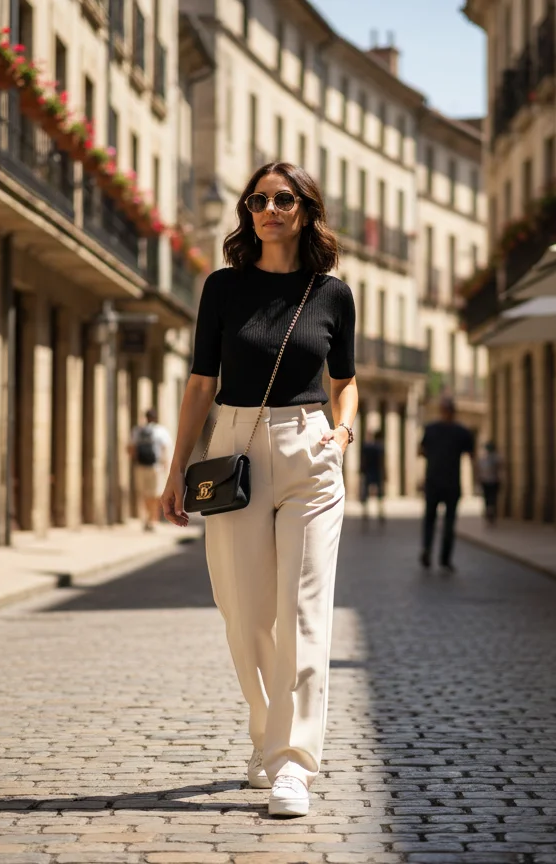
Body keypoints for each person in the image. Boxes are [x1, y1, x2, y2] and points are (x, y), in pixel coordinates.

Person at [160, 162, 356, 819]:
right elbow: (198, 384)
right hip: (234, 448)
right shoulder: (221, 288)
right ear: (248, 211)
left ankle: (293, 765)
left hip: (310, 450)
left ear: (305, 209)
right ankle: (266, 734)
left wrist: (345, 429)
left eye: (282, 199)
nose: (268, 208)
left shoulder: (332, 294)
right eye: (258, 199)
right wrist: (175, 470)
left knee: (303, 613)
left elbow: (345, 379)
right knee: (245, 613)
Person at [418, 397, 475, 572]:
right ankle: (444, 559)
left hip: (434, 481)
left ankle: (428, 550)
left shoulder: (431, 429)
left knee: (430, 520)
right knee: (449, 522)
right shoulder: (462, 432)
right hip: (451, 483)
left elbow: (420, 451)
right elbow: (471, 455)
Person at [128, 408, 173, 531]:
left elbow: (131, 448)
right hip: (156, 466)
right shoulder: (161, 431)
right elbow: (165, 449)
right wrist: (166, 466)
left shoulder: (138, 430)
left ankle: (147, 518)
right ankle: (153, 519)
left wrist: (136, 460)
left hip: (141, 466)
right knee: (155, 494)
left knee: (144, 494)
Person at [359, 430, 385, 524]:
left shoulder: (366, 447)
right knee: (380, 494)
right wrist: (384, 473)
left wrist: (362, 471)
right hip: (376, 472)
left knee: (366, 492)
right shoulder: (379, 448)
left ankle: (365, 513)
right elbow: (381, 461)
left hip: (368, 472)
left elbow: (363, 460)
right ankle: (380, 512)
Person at [475, 441, 503, 527]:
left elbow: (479, 471)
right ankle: (491, 515)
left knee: (488, 499)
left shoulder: (483, 459)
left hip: (487, 481)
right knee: (492, 499)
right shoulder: (496, 458)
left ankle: (490, 515)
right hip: (493, 481)